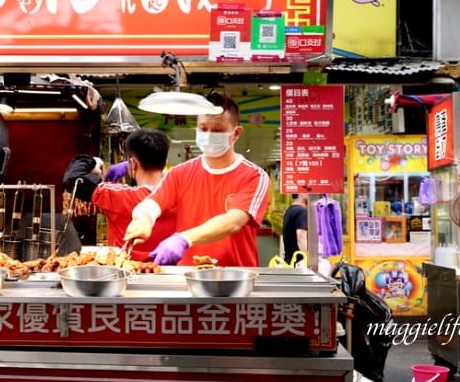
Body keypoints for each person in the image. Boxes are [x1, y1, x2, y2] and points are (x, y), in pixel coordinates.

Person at [124, 93, 270, 266]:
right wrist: (144, 219)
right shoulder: (180, 173)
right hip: (187, 275)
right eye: (203, 128)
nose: (209, 135)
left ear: (236, 133)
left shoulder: (254, 176)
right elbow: (152, 203)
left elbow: (233, 221)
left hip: (235, 276)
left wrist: (183, 239)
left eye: (218, 130)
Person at [63, 129, 175, 261]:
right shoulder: (180, 194)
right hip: (173, 270)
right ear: (165, 161)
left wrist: (94, 161)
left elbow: (73, 177)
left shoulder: (121, 196)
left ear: (133, 164)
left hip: (127, 270)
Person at [282, 193, 309, 265]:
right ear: (302, 194)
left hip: (290, 260)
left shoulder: (290, 209)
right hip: (298, 263)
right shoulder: (302, 212)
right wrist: (309, 261)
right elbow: (301, 237)